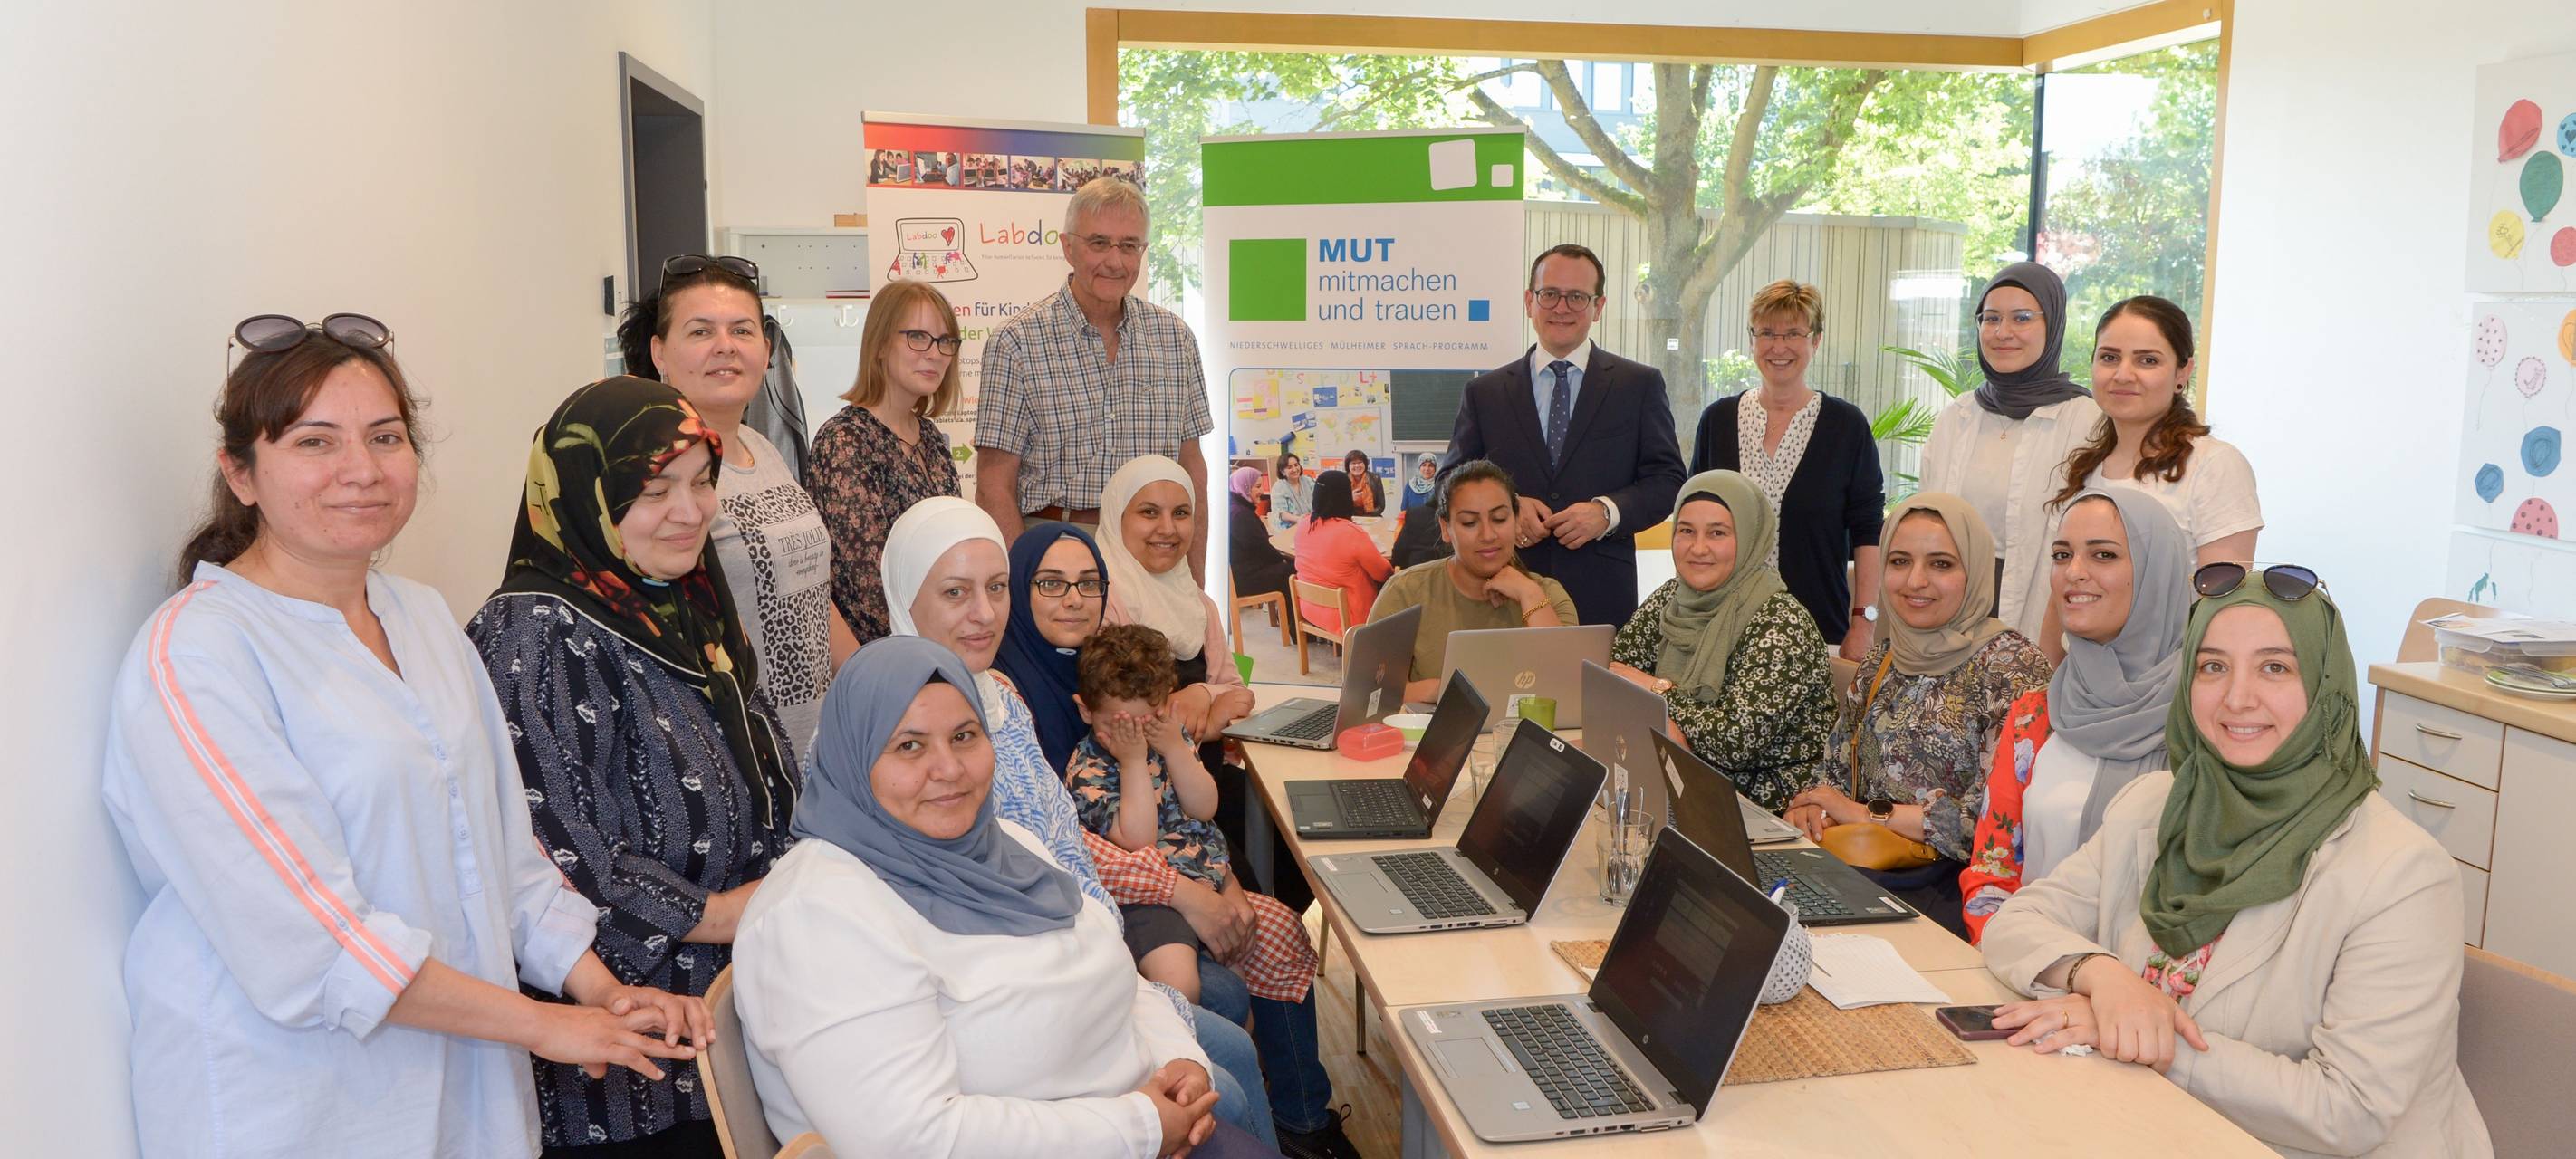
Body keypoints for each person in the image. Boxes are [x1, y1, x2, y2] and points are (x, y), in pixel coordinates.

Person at [103, 318, 705, 1157]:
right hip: (297, 1108)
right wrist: (542, 1026)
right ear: (240, 473)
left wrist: (599, 992)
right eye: (316, 442)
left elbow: (504, 856)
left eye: (385, 437)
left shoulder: (418, 615)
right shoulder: (197, 653)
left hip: (463, 1094)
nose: (362, 470)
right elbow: (317, 942)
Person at [1981, 568, 2493, 1157]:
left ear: (2326, 684)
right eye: (2213, 666)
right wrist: (2106, 980)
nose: (2237, 697)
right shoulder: (2156, 807)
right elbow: (2017, 923)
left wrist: (2146, 1035)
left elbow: (2346, 1111)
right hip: (2151, 1128)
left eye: (2275, 666)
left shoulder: (2402, 873)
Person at [729, 637, 1274, 1158]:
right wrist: (1140, 1126)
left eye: (965, 735)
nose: (949, 769)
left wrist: (1177, 1058)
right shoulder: (816, 919)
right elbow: (912, 1141)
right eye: (909, 745)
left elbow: (1113, 968)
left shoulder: (1004, 844)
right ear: (851, 759)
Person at [876, 499, 1283, 1150]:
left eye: (995, 588)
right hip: (1018, 996)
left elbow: (1065, 847)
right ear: (904, 596)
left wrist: (1112, 957)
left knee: (1229, 1037)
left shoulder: (999, 700)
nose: (983, 613)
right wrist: (1173, 901)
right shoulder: (894, 724)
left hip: (1083, 948)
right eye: (956, 592)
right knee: (1224, 1071)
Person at [468, 376, 802, 1156]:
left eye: (701, 482)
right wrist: (743, 909)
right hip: (624, 1075)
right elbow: (556, 859)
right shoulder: (533, 636)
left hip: (735, 1036)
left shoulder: (685, 608)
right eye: (654, 491)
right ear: (585, 497)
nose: (690, 511)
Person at [998, 523, 1356, 1158]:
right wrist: (1193, 892)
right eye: (1050, 584)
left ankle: (1302, 1116)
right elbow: (1081, 849)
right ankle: (1247, 1115)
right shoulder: (1011, 704)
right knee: (1213, 995)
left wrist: (1218, 881)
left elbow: (1202, 809)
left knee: (1278, 931)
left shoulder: (1124, 693)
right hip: (1108, 923)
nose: (1073, 599)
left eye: (1087, 583)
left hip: (1184, 879)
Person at [619, 252, 851, 759]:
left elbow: (808, 588)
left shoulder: (760, 446)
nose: (725, 347)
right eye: (701, 332)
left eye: (742, 331)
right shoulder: (651, 471)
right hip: (732, 748)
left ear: (767, 350)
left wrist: (869, 688)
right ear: (659, 352)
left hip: (817, 743)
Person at [1787, 494, 2052, 937]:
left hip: (1952, 896)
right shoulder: (1885, 659)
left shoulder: (2012, 671)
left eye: (1941, 564)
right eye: (1899, 561)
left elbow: (1992, 828)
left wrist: (1862, 814)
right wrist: (1811, 809)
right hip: (1864, 872)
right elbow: (1832, 770)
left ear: (1975, 570)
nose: (1915, 581)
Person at [1961, 490, 2192, 943]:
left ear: (2156, 574)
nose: (2074, 573)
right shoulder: (2034, 717)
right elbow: (1992, 872)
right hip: (2027, 971)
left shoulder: (2205, 720)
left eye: (2103, 554)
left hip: (2147, 995)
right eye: (2062, 555)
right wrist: (2022, 961)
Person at [1066, 625, 1318, 1005]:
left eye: (1147, 721)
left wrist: (1175, 750)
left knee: (1244, 977)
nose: (1137, 735)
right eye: (1122, 725)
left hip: (1206, 877)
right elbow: (1138, 840)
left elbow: (1204, 807)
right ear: (1086, 710)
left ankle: (1245, 1056)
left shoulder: (1169, 738)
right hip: (1146, 900)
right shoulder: (1089, 770)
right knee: (1183, 981)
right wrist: (1133, 762)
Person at [975, 177, 1214, 578]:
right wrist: (1025, 582)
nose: (1115, 261)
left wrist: (1195, 583)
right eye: (1099, 243)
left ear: (1143, 251)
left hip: (1155, 557)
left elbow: (1193, 470)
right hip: (1056, 550)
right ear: (1068, 247)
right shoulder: (1016, 343)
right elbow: (994, 484)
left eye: (1129, 245)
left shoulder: (1176, 340)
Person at [1444, 242, 1686, 626]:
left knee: (1593, 688)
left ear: (1598, 307)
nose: (1562, 307)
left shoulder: (1638, 385)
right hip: (1499, 594)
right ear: (1529, 301)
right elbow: (1449, 482)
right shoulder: (1485, 392)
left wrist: (1607, 513)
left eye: (1577, 297)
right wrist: (1508, 506)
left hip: (1600, 595)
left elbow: (1669, 481)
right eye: (1550, 294)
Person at [2036, 295, 2261, 662]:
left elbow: (2221, 611)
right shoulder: (2083, 470)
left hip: (2167, 691)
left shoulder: (2214, 466)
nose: (2123, 374)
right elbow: (2060, 597)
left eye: (2147, 360)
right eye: (2109, 357)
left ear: (2183, 372)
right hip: (2080, 688)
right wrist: (2044, 692)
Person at [1607, 471, 1835, 813]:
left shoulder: (1781, 623)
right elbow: (1617, 675)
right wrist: (1669, 726)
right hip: (1673, 783)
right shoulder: (1674, 597)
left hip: (1765, 808)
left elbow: (1735, 742)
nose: (1698, 548)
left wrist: (1658, 693)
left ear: (1748, 538)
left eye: (1717, 533)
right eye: (1686, 531)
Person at [1688, 279, 1886, 661]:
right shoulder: (1718, 421)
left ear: (1816, 340)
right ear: (1752, 341)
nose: (1779, 347)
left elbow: (1868, 533)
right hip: (1721, 630)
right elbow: (1693, 523)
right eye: (1767, 333)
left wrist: (1865, 623)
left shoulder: (1846, 426)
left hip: (1817, 631)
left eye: (1793, 333)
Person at [1919, 262, 2105, 640]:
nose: (2003, 333)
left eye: (2021, 318)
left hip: (2043, 617)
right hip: (1954, 610)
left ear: (2051, 326)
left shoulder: (2086, 421)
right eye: (1990, 319)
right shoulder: (1958, 416)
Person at [804, 278, 966, 647]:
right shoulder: (845, 440)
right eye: (918, 337)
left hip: (940, 641)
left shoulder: (931, 440)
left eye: (945, 341)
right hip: (884, 655)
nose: (934, 353)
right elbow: (868, 585)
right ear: (879, 345)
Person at [1370, 459, 1577, 704]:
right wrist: (1442, 690)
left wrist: (1529, 594)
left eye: (1499, 519)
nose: (1488, 535)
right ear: (1446, 529)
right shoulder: (1407, 591)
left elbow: (1568, 689)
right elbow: (1369, 691)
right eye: (1469, 522)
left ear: (1517, 520)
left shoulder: (1546, 593)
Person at [1292, 468, 1393, 633]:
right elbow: (1384, 573)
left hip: (1310, 608)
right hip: (1350, 616)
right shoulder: (1350, 532)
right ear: (1344, 497)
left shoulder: (1304, 524)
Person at [1227, 466, 1293, 606]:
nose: (1262, 491)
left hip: (1240, 572)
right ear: (1244, 487)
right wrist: (1284, 559)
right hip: (1244, 579)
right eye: (1257, 486)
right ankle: (1293, 624)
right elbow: (1261, 549)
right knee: (1291, 571)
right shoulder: (1241, 515)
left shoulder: (1235, 506)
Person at [1270, 451, 1314, 532]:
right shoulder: (1279, 488)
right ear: (1282, 471)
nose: (1294, 469)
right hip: (1288, 528)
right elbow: (1281, 513)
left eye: (1296, 465)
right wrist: (1298, 519)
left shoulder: (1308, 481)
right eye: (1289, 467)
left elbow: (1318, 501)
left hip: (1309, 524)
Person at [1342, 449, 1384, 516]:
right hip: (1349, 517)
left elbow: (1381, 506)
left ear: (1365, 464)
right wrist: (1350, 498)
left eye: (1360, 462)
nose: (1357, 466)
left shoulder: (1375, 478)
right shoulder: (1342, 479)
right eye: (1353, 463)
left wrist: (1367, 517)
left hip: (1372, 517)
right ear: (1348, 466)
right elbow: (1338, 506)